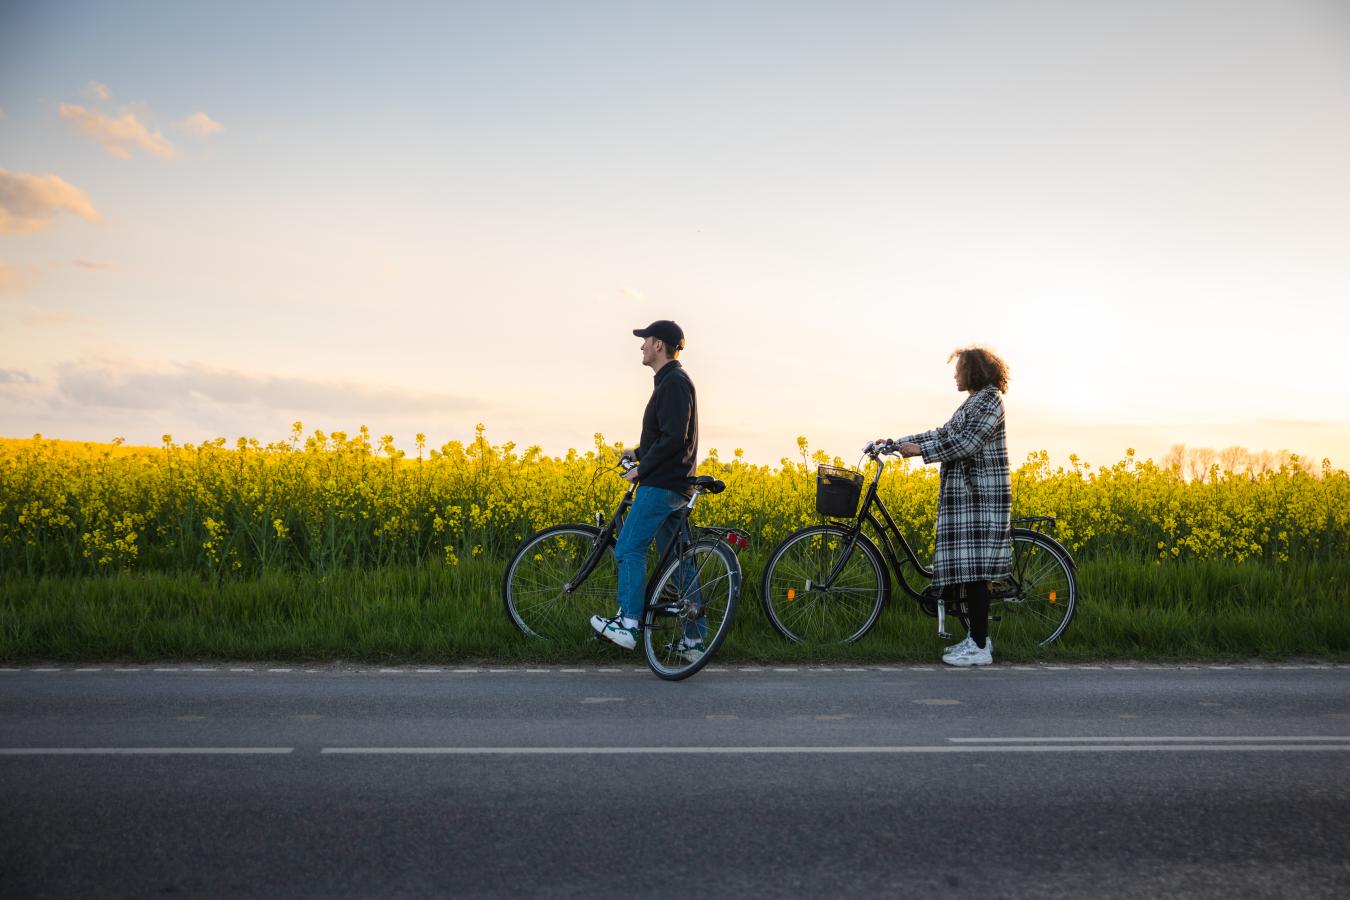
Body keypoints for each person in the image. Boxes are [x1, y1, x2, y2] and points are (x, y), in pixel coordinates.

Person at [874, 346, 1012, 667]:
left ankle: (979, 648)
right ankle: (976, 638)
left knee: (976, 572)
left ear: (974, 371)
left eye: (959, 369)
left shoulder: (990, 401)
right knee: (968, 570)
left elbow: (966, 443)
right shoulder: (974, 401)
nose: (955, 374)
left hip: (980, 499)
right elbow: (944, 433)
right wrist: (897, 443)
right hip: (966, 498)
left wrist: (917, 451)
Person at [590, 319, 702, 659]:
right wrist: (638, 453)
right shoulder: (672, 382)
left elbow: (674, 438)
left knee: (628, 547)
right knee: (679, 563)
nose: (641, 346)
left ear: (658, 345)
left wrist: (643, 468)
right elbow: (669, 435)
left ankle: (627, 623)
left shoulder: (673, 383)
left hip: (662, 485)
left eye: (645, 340)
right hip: (674, 483)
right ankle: (694, 642)